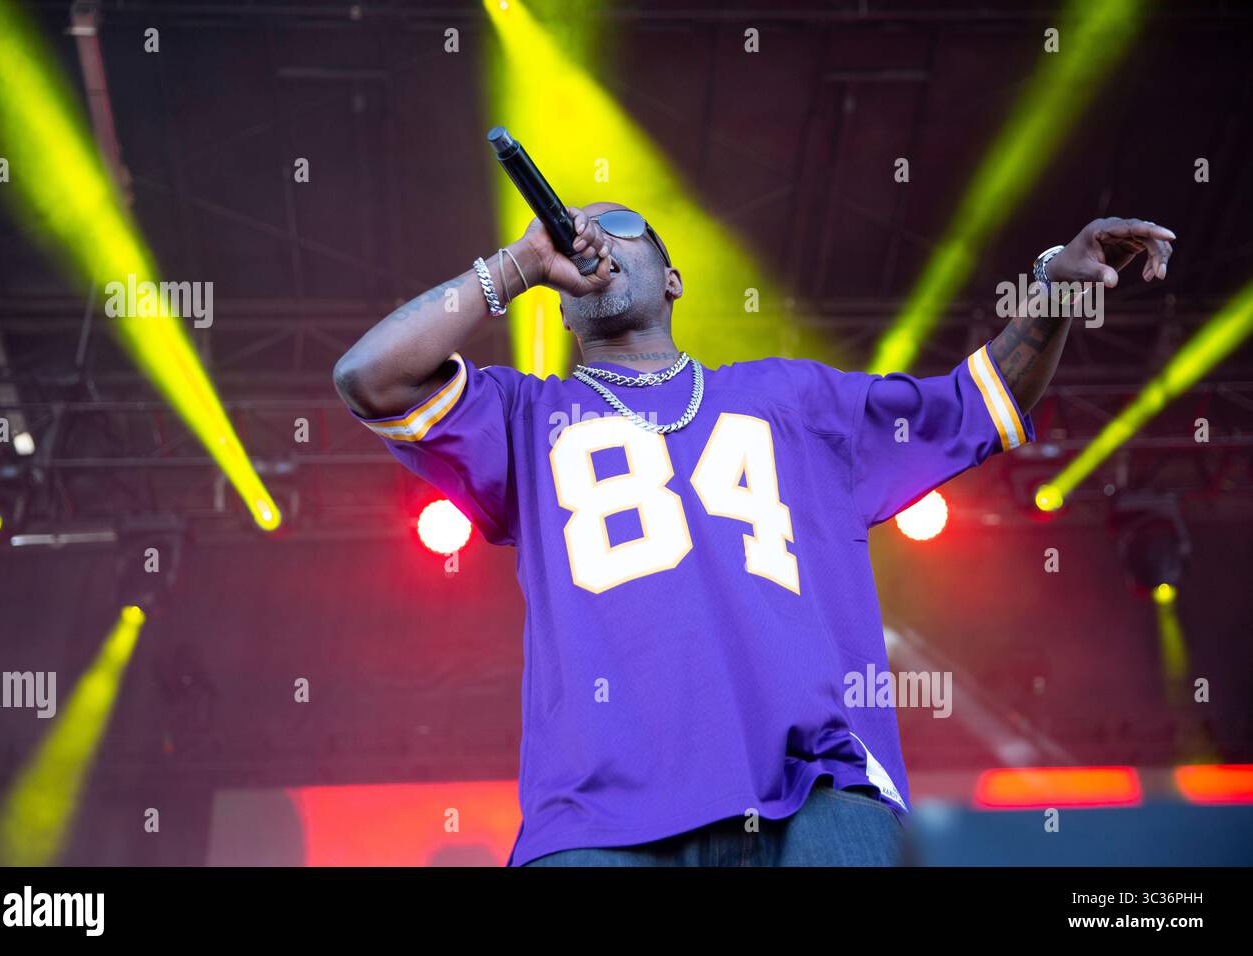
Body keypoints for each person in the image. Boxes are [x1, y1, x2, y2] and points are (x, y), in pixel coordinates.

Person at [333, 202, 1174, 866]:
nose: (591, 239)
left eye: (620, 229)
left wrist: (1052, 289)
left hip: (818, 797)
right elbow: (369, 379)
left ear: (673, 280)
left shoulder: (790, 398)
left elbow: (978, 402)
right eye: (572, 231)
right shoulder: (525, 416)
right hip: (594, 821)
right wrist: (515, 266)